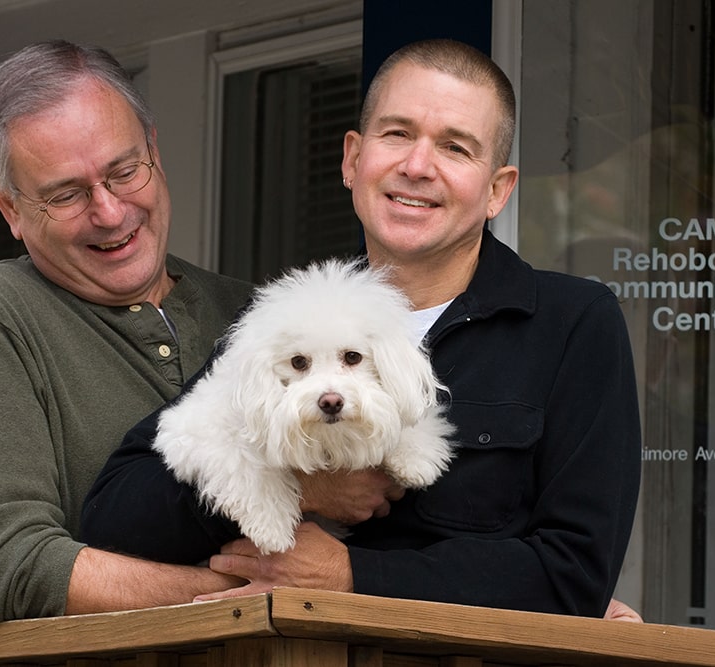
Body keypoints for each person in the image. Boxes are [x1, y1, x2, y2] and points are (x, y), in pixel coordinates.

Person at [82, 38, 642, 619]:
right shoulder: (284, 324)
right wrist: (301, 487)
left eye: (455, 147)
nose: (418, 166)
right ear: (353, 160)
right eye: (397, 134)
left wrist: (353, 576)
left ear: (497, 189)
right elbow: (116, 515)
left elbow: (575, 575)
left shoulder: (573, 323)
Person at [0, 40, 265, 624]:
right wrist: (236, 594)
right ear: (6, 204)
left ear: (153, 147)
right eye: (67, 194)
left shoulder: (253, 312)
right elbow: (6, 564)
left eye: (124, 171)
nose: (109, 212)